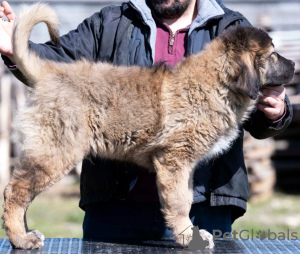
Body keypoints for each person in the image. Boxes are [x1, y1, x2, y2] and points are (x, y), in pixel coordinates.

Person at [0, 0, 292, 242]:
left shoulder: (230, 28)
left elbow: (256, 111)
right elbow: (53, 61)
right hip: (116, 212)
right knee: (47, 166)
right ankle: (14, 218)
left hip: (206, 211)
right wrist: (14, 46)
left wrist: (277, 111)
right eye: (272, 58)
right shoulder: (112, 20)